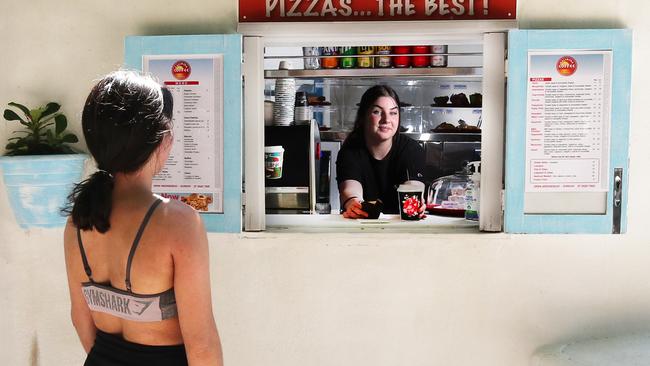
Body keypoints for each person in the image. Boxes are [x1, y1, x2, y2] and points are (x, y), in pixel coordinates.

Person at [63, 71, 222, 366]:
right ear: (162, 139)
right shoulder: (178, 222)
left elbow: (80, 319)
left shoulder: (79, 220)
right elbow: (202, 344)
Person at [336, 85, 425, 218]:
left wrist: (415, 201)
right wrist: (353, 203)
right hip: (361, 227)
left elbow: (412, 186)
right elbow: (349, 189)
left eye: (393, 113)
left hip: (403, 228)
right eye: (377, 112)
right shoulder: (350, 151)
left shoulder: (411, 149)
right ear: (363, 116)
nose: (386, 120)